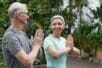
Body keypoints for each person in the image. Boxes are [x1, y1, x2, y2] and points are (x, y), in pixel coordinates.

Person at [2, 2, 44, 68]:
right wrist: (36, 45)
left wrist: (37, 44)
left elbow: (37, 56)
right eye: (26, 13)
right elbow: (27, 62)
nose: (28, 16)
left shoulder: (23, 34)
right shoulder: (10, 36)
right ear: (18, 15)